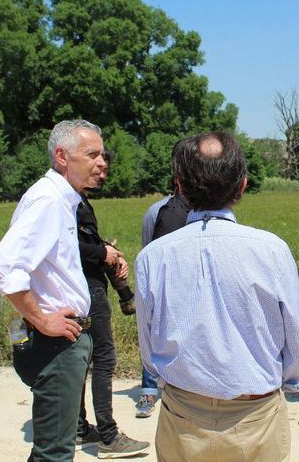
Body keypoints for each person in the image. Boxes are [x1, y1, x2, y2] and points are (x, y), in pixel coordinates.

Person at [135, 132, 299, 461]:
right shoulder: (272, 250)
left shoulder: (153, 257)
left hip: (183, 414)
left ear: (180, 186)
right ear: (242, 185)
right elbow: (293, 336)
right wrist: (288, 380)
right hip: (256, 415)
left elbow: (148, 343)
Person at [0, 119, 106, 461]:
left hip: (62, 340)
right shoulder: (49, 201)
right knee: (54, 453)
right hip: (55, 342)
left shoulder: (62, 200)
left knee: (52, 449)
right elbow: (6, 266)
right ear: (62, 156)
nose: (102, 163)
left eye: (103, 155)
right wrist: (41, 320)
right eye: (92, 154)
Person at [74, 149, 149, 458]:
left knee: (79, 360)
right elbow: (68, 244)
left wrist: (105, 250)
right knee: (103, 358)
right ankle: (108, 435)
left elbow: (80, 242)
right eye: (97, 165)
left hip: (81, 288)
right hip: (89, 290)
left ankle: (78, 428)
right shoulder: (68, 202)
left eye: (105, 168)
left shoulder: (73, 200)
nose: (102, 172)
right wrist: (104, 254)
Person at [135, 153, 190, 419]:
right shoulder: (156, 211)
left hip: (189, 287)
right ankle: (148, 389)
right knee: (153, 333)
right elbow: (148, 250)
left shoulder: (200, 212)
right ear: (177, 181)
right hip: (161, 285)